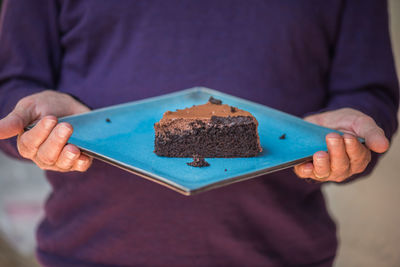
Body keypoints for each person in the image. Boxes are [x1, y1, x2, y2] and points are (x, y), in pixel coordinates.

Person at [0, 0, 398, 266]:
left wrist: (355, 132)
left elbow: (368, 92)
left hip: (279, 253)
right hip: (89, 252)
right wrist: (32, 125)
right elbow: (14, 86)